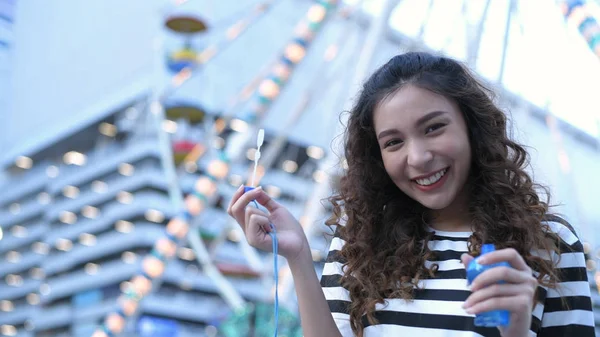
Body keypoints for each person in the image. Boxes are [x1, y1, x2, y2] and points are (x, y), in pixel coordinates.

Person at [227, 52, 596, 337]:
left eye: (434, 128)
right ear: (377, 156)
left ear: (472, 127)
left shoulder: (550, 243)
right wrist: (298, 256)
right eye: (393, 142)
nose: (418, 157)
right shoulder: (358, 242)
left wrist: (515, 331)